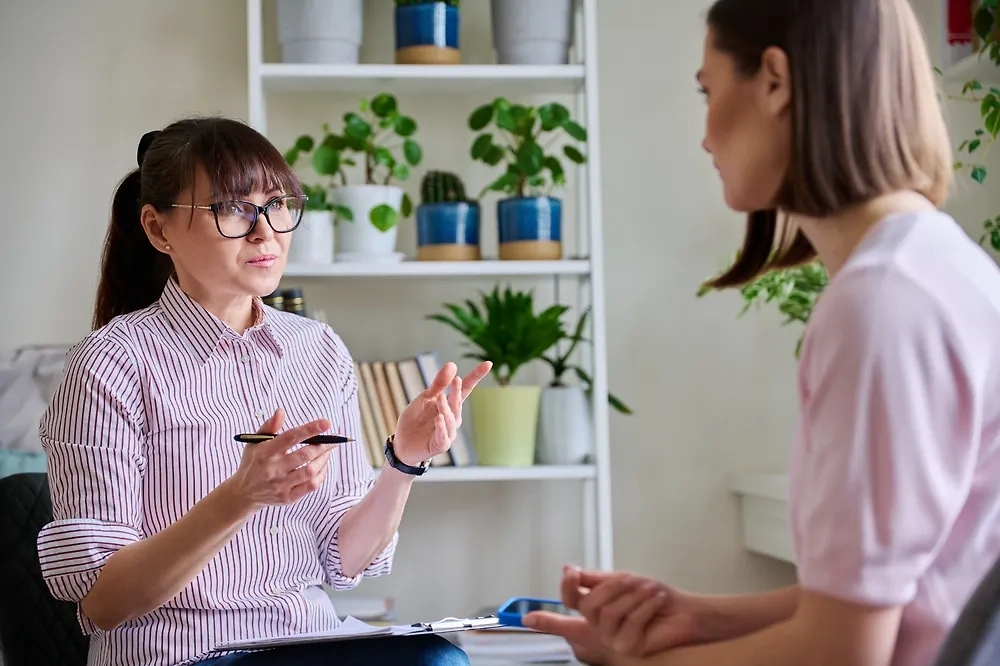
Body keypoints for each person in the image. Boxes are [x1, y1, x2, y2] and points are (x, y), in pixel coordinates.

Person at [525, 0, 1000, 665]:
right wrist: (692, 617)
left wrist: (633, 664)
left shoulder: (881, 303)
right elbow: (898, 595)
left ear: (774, 81)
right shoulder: (937, 266)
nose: (705, 137)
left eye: (708, 91)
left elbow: (842, 653)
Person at [35, 116, 491, 666]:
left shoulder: (317, 349)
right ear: (158, 230)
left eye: (277, 204)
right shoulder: (109, 365)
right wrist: (240, 496)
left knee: (440, 660)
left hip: (304, 643)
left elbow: (345, 561)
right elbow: (106, 603)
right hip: (181, 655)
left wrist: (405, 460)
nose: (265, 231)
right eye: (231, 208)